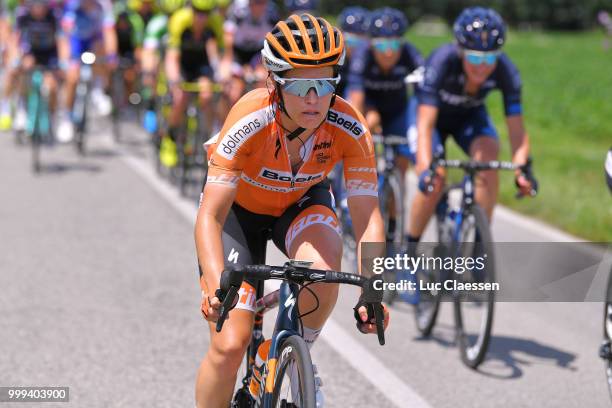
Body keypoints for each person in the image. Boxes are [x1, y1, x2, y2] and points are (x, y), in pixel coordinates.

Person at [194, 13, 388, 408]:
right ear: (276, 84)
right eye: (301, 86)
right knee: (230, 346)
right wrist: (216, 287)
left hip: (301, 204)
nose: (315, 98)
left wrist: (374, 287)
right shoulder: (250, 119)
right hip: (239, 215)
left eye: (325, 83)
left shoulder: (349, 126)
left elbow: (368, 216)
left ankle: (290, 350)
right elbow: (211, 216)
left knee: (324, 268)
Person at [407, 7, 536, 248]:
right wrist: (425, 170)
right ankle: (408, 252)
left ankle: (479, 246)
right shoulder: (442, 60)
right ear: (461, 51)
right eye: (475, 58)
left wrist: (522, 170)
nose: (482, 66)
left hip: (469, 117)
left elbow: (517, 129)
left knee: (488, 160)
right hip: (431, 118)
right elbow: (425, 125)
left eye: (490, 59)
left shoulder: (506, 70)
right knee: (434, 182)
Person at [346, 7, 423, 241]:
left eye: (394, 45)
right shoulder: (362, 56)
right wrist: (354, 137)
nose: (388, 53)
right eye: (381, 46)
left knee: (400, 165)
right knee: (367, 122)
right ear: (371, 44)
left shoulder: (411, 55)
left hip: (398, 110)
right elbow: (355, 100)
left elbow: (424, 97)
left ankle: (392, 221)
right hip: (371, 107)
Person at [162, 0, 222, 167]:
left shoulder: (214, 23)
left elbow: (216, 54)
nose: (201, 17)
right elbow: (172, 55)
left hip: (201, 65)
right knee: (180, 97)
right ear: (191, 10)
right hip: (182, 63)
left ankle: (209, 139)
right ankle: (170, 139)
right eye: (197, 12)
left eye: (206, 13)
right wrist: (174, 80)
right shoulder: (180, 20)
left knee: (207, 95)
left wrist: (220, 75)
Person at [59, 0, 117, 140]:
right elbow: (64, 35)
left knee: (102, 54)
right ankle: (66, 118)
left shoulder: (103, 5)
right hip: (76, 41)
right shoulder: (72, 5)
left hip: (94, 41)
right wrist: (64, 60)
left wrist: (112, 56)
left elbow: (109, 32)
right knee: (72, 78)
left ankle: (98, 90)